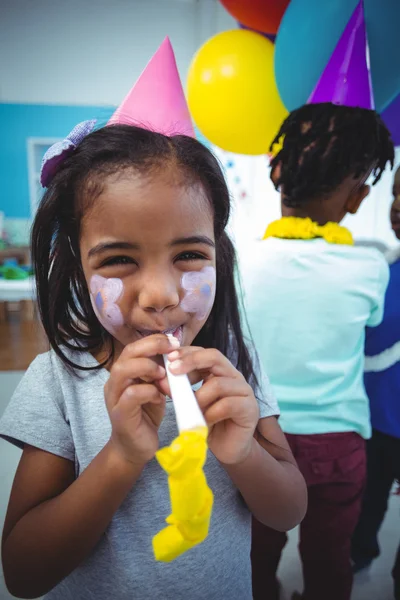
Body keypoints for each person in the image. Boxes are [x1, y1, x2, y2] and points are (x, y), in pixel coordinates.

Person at [0, 39, 307, 600]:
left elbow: (288, 510)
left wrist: (241, 452)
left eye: (189, 255)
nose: (162, 295)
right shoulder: (58, 382)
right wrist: (121, 455)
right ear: (78, 265)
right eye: (120, 260)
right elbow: (21, 572)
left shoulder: (235, 365)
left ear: (220, 254)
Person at [240, 102, 394, 600]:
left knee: (254, 548)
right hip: (340, 443)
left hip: (260, 435)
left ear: (276, 170)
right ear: (358, 197)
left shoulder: (237, 261)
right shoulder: (370, 270)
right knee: (330, 557)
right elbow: (369, 325)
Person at [351, 165, 400, 600]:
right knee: (370, 498)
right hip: (378, 415)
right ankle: (360, 553)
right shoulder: (379, 269)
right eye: (397, 194)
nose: (398, 206)